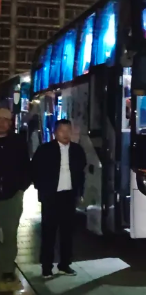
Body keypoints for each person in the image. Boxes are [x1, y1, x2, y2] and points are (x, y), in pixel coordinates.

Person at [32, 119, 86, 279]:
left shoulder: (77, 150)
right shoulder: (45, 150)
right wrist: (42, 189)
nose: (66, 134)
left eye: (68, 130)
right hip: (51, 196)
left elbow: (81, 173)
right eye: (62, 130)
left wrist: (79, 192)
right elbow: (35, 170)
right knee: (48, 232)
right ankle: (46, 267)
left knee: (67, 232)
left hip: (68, 195)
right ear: (55, 132)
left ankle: (64, 264)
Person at [0, 108, 32, 282]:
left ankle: (7, 268)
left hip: (12, 195)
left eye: (6, 120)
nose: (2, 123)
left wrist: (21, 189)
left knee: (10, 233)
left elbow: (27, 167)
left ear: (11, 123)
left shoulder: (18, 142)